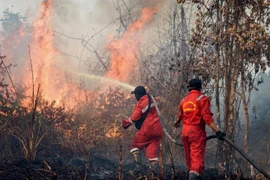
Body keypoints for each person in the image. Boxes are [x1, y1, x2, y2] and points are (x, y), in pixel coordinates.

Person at [174, 78, 226, 180]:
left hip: (185, 131)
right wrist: (218, 131)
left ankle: (191, 175)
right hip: (196, 132)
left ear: (189, 88)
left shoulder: (184, 100)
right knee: (196, 160)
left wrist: (177, 122)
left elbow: (180, 115)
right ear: (200, 87)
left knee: (189, 159)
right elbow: (206, 118)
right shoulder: (202, 99)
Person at [122, 86, 163, 177]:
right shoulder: (154, 99)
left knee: (134, 146)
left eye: (135, 95)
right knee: (152, 154)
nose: (135, 97)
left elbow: (134, 117)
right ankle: (154, 174)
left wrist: (125, 123)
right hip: (158, 130)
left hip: (148, 129)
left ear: (138, 95)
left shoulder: (141, 103)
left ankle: (138, 169)